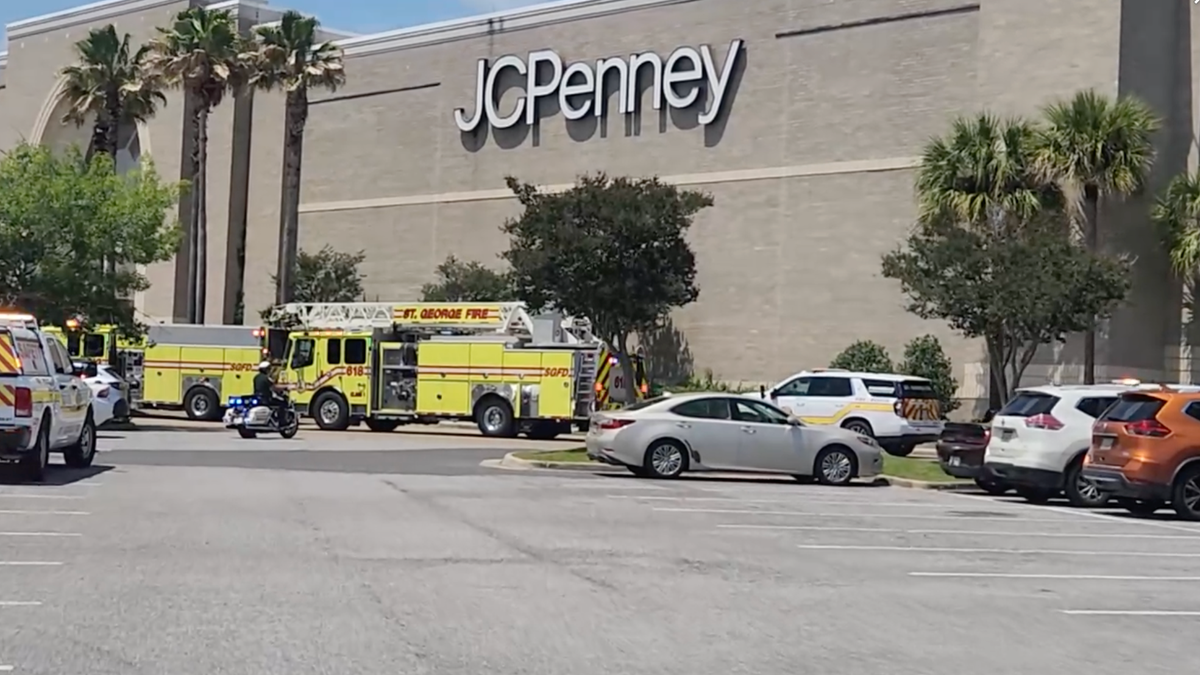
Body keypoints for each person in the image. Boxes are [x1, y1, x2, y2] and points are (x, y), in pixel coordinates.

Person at [253, 361, 288, 425]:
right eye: (269, 369)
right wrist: (284, 388)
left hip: (258, 397)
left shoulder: (256, 377)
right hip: (266, 399)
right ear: (266, 369)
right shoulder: (266, 378)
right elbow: (274, 387)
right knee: (282, 403)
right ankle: (282, 422)